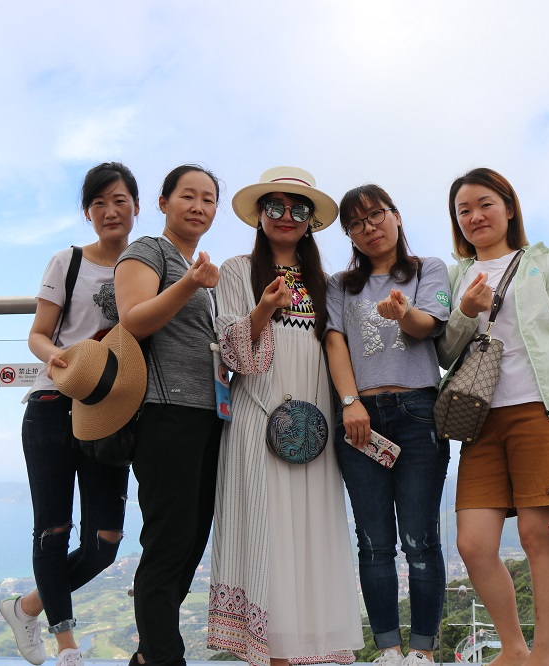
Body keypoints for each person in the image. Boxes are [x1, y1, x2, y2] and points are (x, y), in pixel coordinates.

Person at [438, 167, 549, 666]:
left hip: (540, 410)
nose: (475, 216)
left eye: (485, 204)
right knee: (473, 544)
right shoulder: (456, 275)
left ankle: (544, 654)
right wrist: (465, 311)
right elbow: (444, 352)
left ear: (509, 208)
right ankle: (513, 647)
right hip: (478, 420)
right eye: (464, 210)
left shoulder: (542, 262)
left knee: (536, 535)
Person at [208, 167, 363, 666]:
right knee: (267, 534)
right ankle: (270, 654)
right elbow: (233, 355)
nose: (286, 216)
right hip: (258, 422)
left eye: (299, 209)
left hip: (314, 430)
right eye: (274, 206)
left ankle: (310, 651)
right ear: (259, 214)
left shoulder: (327, 284)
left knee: (313, 533)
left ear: (312, 220)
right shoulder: (237, 271)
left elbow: (339, 351)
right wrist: (262, 310)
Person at [0, 162, 140, 666]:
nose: (110, 211)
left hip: (110, 409)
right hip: (55, 403)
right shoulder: (68, 261)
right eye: (99, 203)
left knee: (106, 541)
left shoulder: (144, 267)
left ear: (136, 207)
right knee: (53, 529)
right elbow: (38, 333)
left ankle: (27, 607)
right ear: (87, 213)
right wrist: (56, 357)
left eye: (119, 201)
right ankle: (66, 646)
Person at [324, 184, 451, 666]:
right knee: (374, 541)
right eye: (355, 224)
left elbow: (427, 327)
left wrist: (403, 313)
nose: (369, 228)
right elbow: (334, 342)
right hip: (360, 416)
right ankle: (388, 650)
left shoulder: (428, 269)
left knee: (420, 538)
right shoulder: (340, 284)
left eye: (375, 215)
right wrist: (349, 402)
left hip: (418, 411)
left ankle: (422, 650)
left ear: (396, 215)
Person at [114, 164, 224, 666]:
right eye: (188, 196)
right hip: (165, 412)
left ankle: (148, 655)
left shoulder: (196, 264)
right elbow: (134, 320)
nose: (198, 207)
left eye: (208, 199)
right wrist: (190, 285)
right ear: (162, 203)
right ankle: (162, 658)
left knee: (191, 541)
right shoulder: (149, 252)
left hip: (206, 414)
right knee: (167, 542)